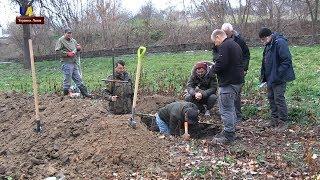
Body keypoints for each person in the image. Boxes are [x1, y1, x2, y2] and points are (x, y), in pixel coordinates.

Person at [210, 29, 244, 143]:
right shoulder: (235, 44)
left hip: (229, 82)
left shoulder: (224, 46)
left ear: (218, 37)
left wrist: (211, 70)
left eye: (215, 41)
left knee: (226, 109)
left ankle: (229, 135)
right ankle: (230, 130)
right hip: (237, 81)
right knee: (232, 108)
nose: (215, 44)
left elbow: (221, 64)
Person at [259, 27, 295, 128]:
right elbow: (265, 61)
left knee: (278, 99)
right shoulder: (268, 44)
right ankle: (274, 120)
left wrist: (277, 73)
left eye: (263, 39)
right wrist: (264, 75)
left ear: (269, 36)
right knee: (271, 98)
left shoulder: (280, 43)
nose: (262, 42)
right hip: (270, 77)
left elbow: (287, 60)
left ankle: (283, 122)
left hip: (279, 78)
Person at [221, 23, 250, 122]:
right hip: (225, 73)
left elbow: (246, 55)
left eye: (227, 33)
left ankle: (237, 115)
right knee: (225, 95)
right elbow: (216, 54)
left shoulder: (240, 41)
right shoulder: (219, 40)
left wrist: (244, 68)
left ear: (232, 32)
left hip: (237, 72)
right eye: (224, 33)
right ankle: (229, 116)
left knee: (236, 95)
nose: (225, 35)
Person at [55, 28, 92, 98]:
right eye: (68, 33)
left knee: (78, 79)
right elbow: (57, 51)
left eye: (70, 33)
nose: (69, 35)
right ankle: (66, 96)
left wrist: (78, 49)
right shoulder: (61, 40)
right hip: (66, 63)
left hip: (74, 62)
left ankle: (85, 93)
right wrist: (67, 54)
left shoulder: (73, 41)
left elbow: (77, 49)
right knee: (67, 80)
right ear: (65, 33)